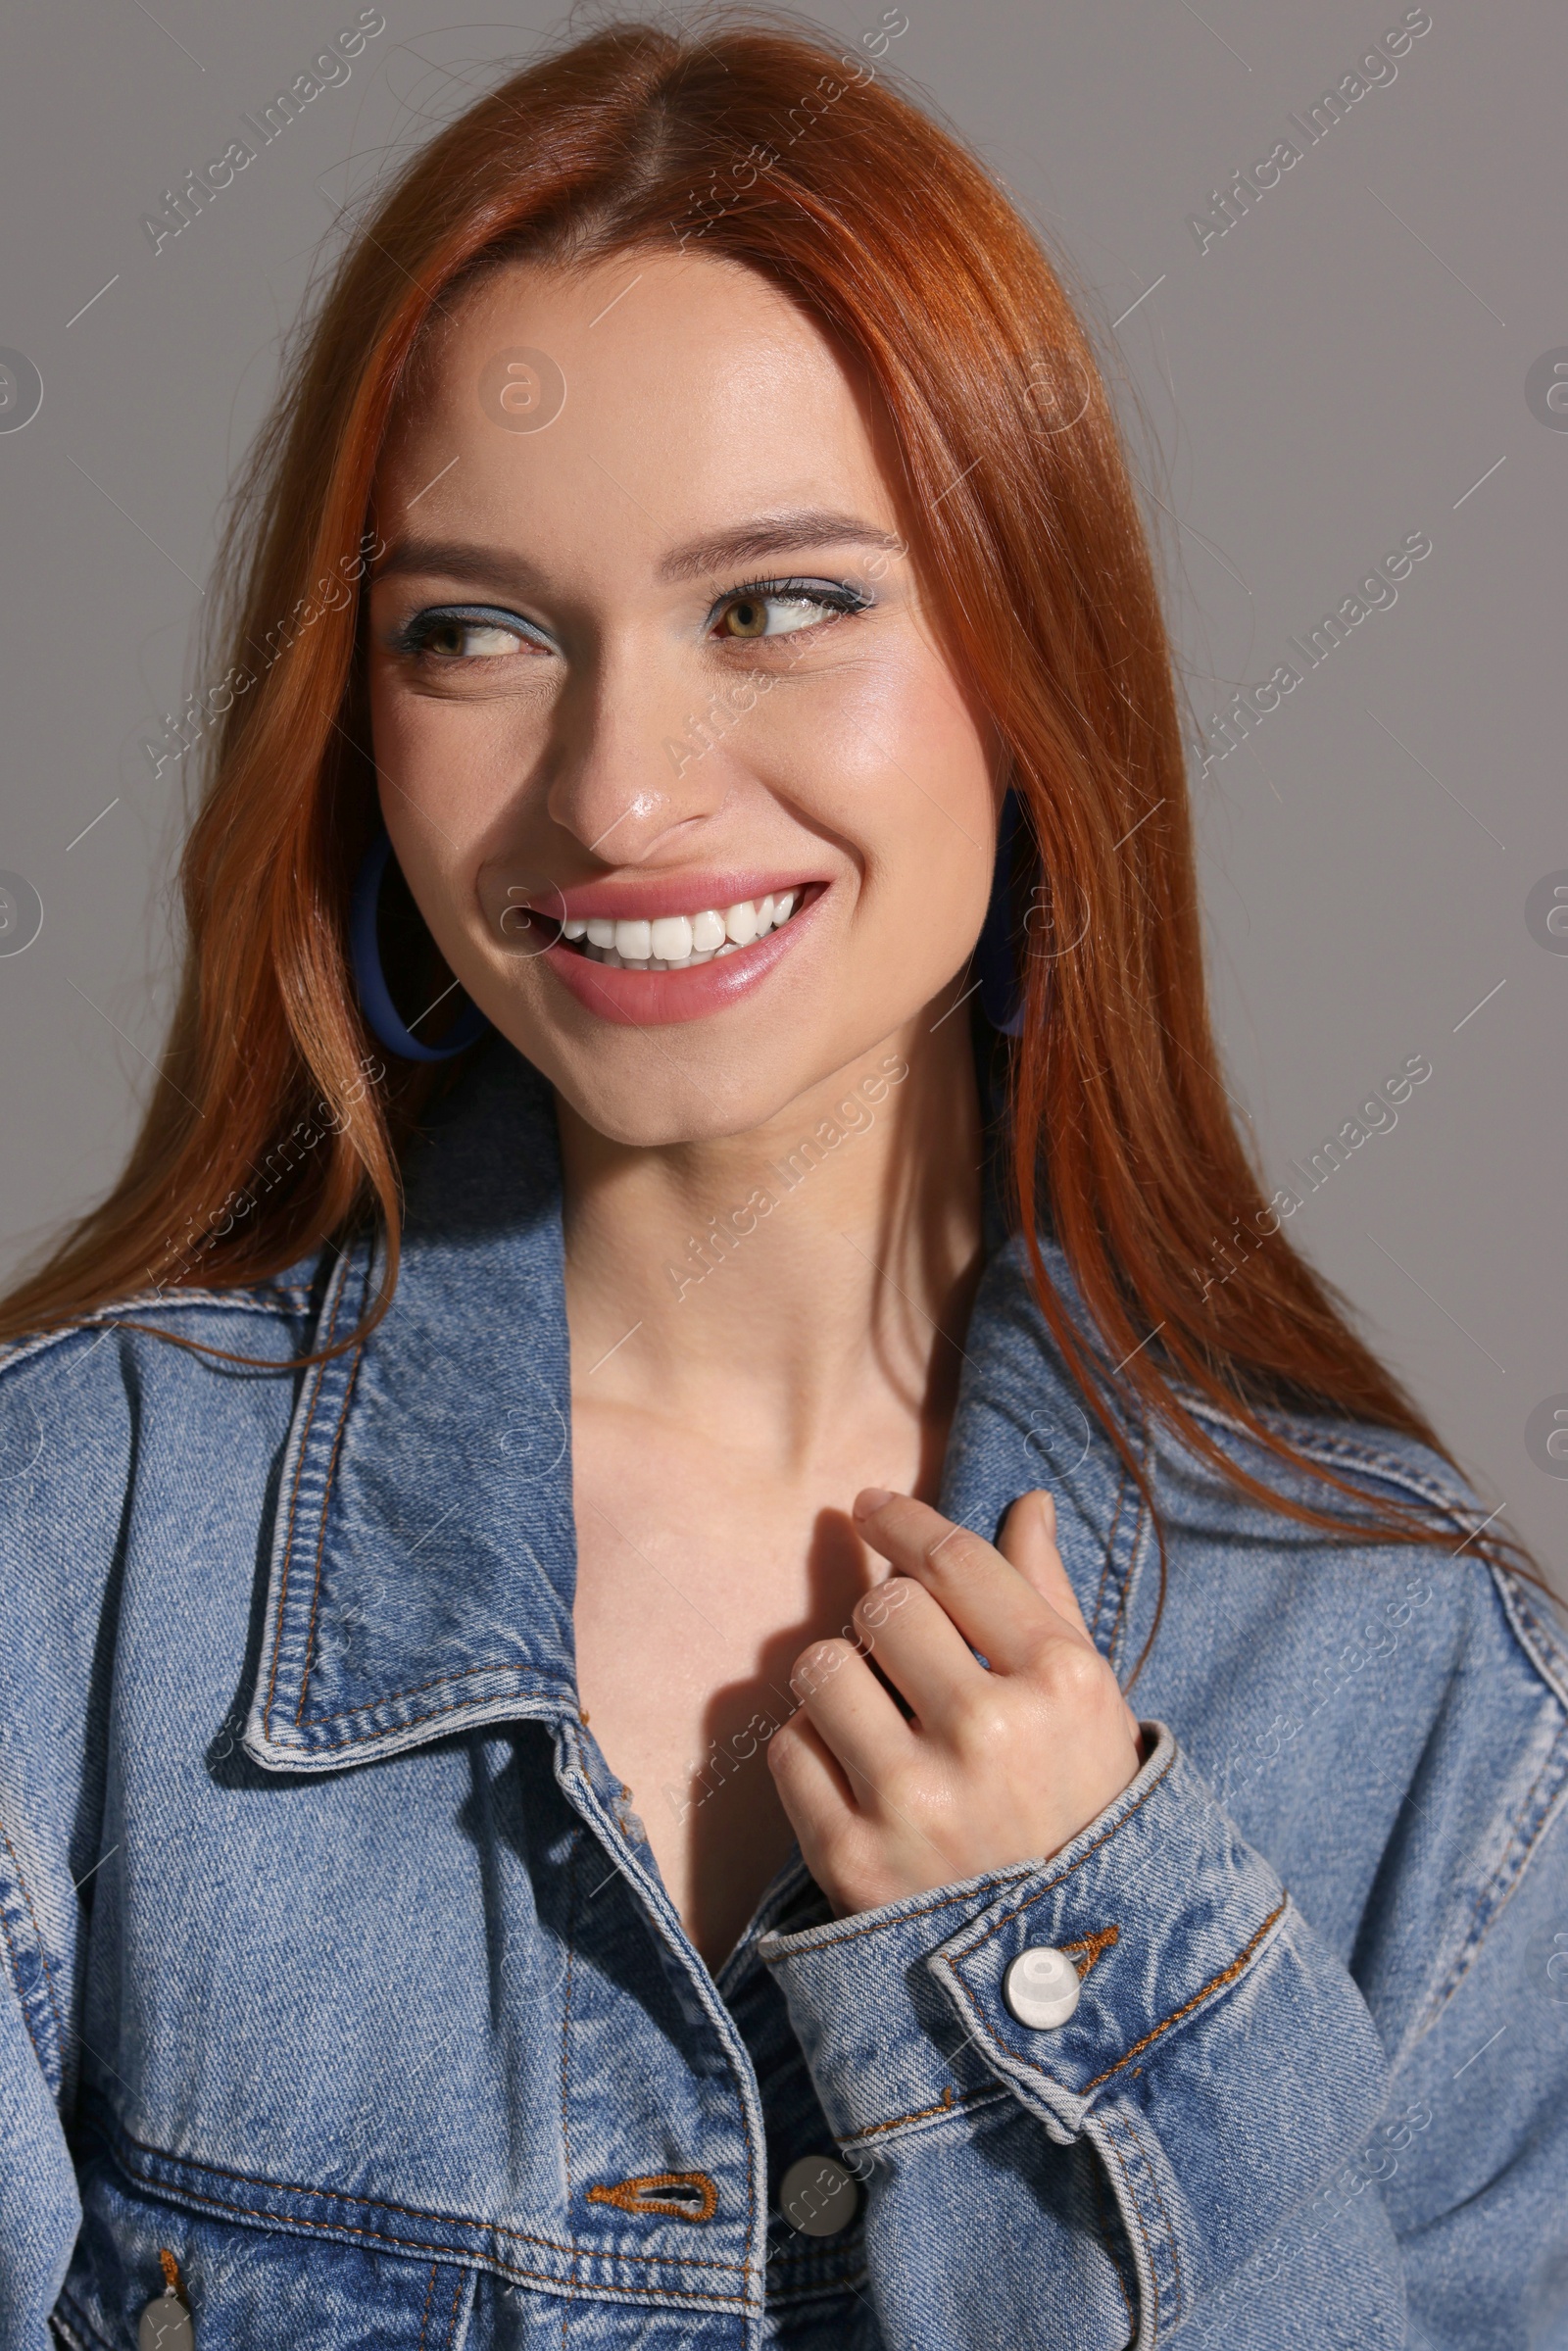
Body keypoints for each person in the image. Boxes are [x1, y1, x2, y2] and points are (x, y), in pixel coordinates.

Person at [2, 17, 1562, 2349]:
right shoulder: (74, 1551)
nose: (621, 796)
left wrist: (1088, 1951)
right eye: (474, 633)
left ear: (1031, 666)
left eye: (775, 606)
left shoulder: (1405, 1689)